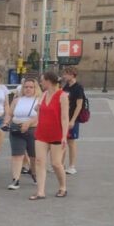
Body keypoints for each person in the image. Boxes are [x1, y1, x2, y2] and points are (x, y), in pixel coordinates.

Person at [31, 70, 70, 200]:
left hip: (56, 133)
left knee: (56, 163)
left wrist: (64, 136)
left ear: (48, 81)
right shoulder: (44, 95)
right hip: (42, 132)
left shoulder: (62, 95)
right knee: (39, 161)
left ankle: (63, 186)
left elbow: (65, 117)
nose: (40, 83)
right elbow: (39, 113)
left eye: (42, 81)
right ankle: (40, 191)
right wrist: (37, 109)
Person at [3, 77, 40, 190]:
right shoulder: (17, 100)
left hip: (33, 130)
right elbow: (10, 113)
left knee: (33, 156)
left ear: (35, 88)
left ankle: (34, 172)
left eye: (31, 87)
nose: (28, 89)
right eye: (26, 87)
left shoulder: (39, 100)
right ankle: (16, 179)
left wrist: (28, 123)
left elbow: (40, 116)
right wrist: (6, 122)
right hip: (16, 129)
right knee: (17, 155)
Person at [61, 66, 86, 175]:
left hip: (72, 118)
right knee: (63, 140)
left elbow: (79, 105)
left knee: (71, 142)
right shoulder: (66, 86)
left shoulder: (78, 88)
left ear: (72, 75)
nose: (64, 76)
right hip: (64, 116)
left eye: (66, 74)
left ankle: (72, 166)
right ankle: (61, 164)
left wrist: (73, 120)